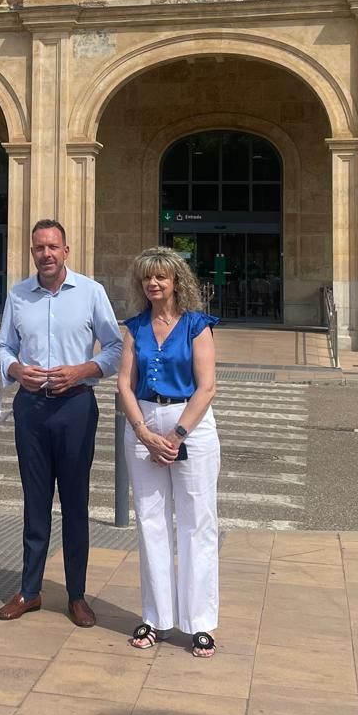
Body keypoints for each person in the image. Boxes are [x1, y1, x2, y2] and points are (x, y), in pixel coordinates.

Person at [0, 219, 123, 628]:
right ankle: (30, 591)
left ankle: (76, 595)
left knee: (74, 504)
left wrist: (84, 369)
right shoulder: (18, 295)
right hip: (31, 408)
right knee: (34, 504)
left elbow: (116, 347)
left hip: (75, 408)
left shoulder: (91, 292)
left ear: (66, 251)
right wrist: (14, 368)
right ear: (31, 252)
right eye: (39, 248)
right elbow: (2, 347)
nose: (46, 254)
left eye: (53, 247)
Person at [116, 246, 221, 658]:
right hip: (144, 420)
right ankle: (156, 617)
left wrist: (176, 435)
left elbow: (207, 386)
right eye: (147, 278)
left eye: (161, 276)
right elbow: (124, 382)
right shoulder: (135, 327)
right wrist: (142, 432)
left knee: (197, 522)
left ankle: (200, 623)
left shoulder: (197, 325)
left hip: (188, 424)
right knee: (151, 522)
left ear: (177, 281)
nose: (153, 283)